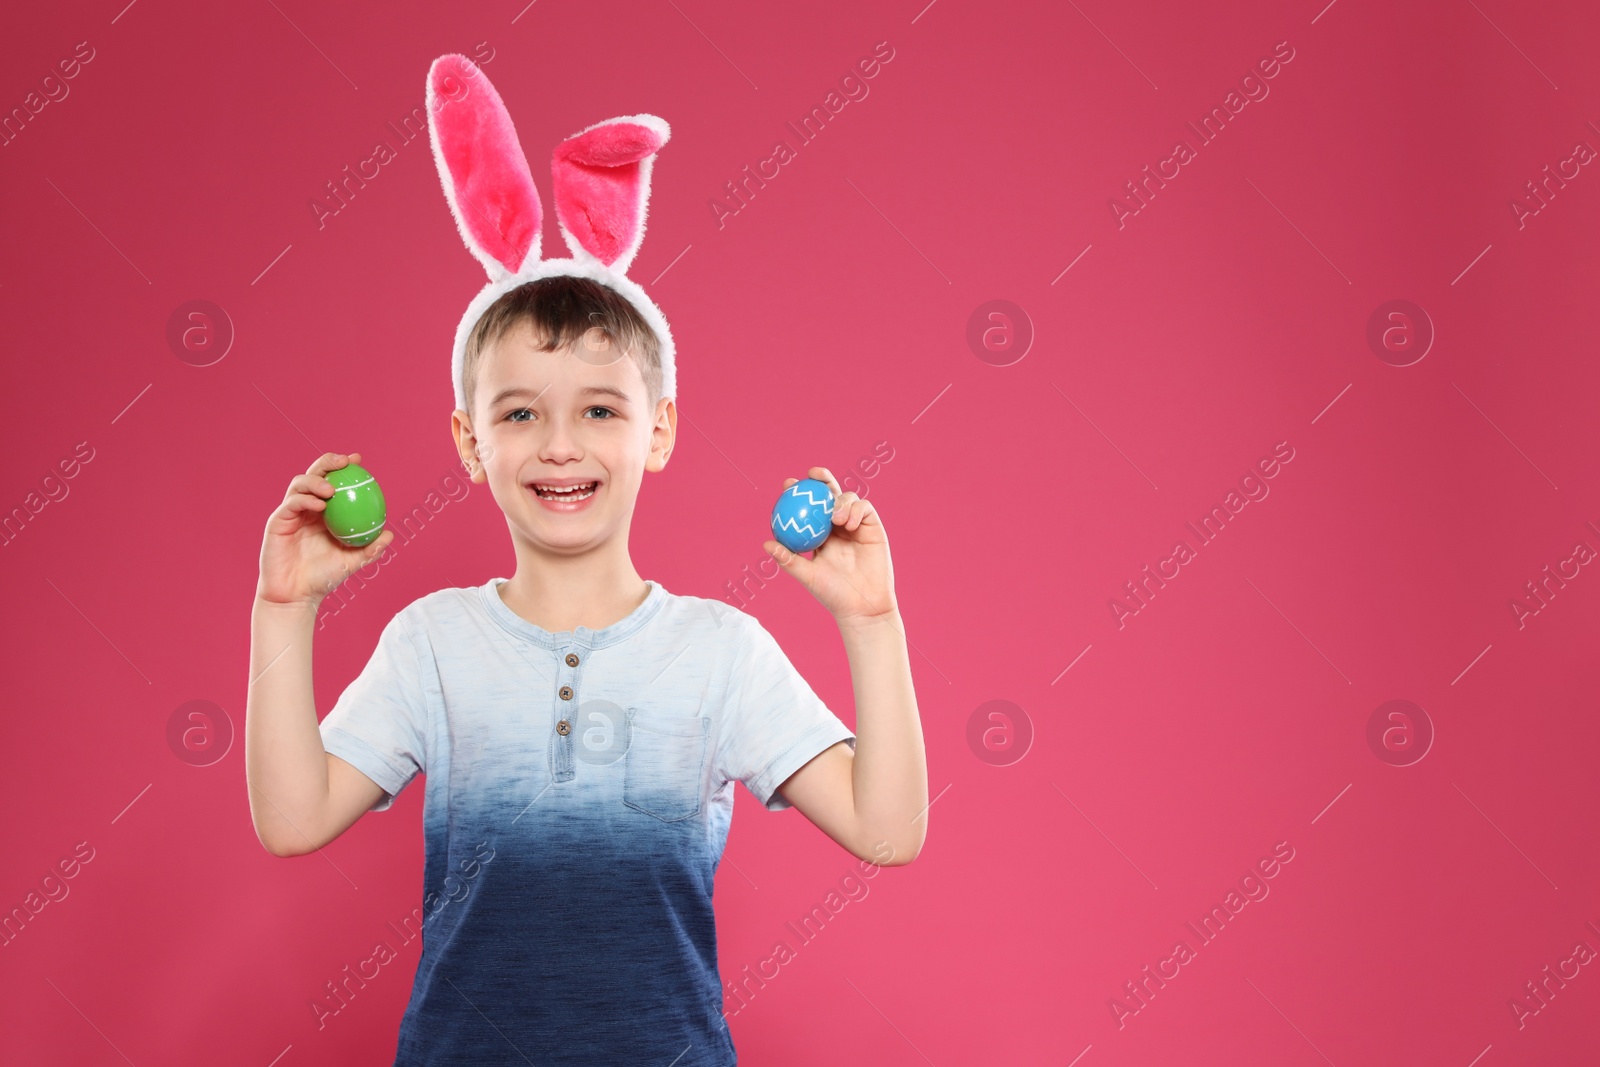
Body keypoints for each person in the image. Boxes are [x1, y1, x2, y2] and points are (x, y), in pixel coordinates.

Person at [243, 53, 926, 1067]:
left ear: (658, 430)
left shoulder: (719, 650)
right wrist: (281, 608)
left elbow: (888, 828)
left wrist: (870, 622)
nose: (559, 444)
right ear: (473, 443)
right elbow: (292, 819)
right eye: (519, 412)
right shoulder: (433, 642)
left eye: (599, 410)